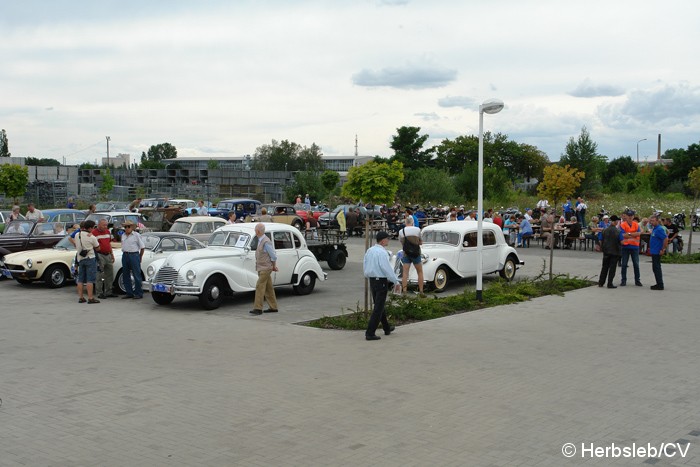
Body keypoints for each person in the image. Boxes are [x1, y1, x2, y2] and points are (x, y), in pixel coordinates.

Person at [363, 231, 400, 341]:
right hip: (381, 281)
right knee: (378, 307)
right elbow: (386, 268)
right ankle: (370, 332)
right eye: (387, 239)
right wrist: (395, 281)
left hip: (372, 280)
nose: (388, 240)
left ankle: (386, 327)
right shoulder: (382, 253)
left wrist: (367, 275)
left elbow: (365, 264)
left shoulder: (369, 251)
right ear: (383, 240)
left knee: (379, 304)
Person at [250, 223, 278, 315]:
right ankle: (273, 307)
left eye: (255, 230)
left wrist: (274, 266)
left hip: (265, 268)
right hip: (262, 267)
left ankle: (258, 308)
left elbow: (273, 255)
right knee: (268, 287)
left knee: (259, 286)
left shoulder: (266, 241)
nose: (255, 232)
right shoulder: (261, 240)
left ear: (258, 231)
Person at [74, 219, 101, 304]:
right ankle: (90, 298)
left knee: (80, 279)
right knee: (90, 279)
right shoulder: (91, 237)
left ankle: (81, 297)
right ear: (90, 228)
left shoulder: (77, 235)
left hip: (80, 258)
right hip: (90, 258)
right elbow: (98, 248)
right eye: (93, 228)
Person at [399, 216, 424, 296]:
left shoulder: (401, 231)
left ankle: (405, 292)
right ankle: (421, 291)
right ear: (412, 222)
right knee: (419, 272)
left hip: (406, 253)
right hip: (416, 253)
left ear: (405, 222)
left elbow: (401, 242)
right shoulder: (417, 230)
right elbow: (420, 242)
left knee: (405, 273)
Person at [120, 220, 146, 299]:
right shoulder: (123, 235)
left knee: (136, 274)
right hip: (125, 254)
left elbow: (142, 247)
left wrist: (140, 257)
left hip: (134, 255)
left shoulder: (136, 235)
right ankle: (129, 292)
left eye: (128, 227)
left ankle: (138, 293)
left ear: (132, 227)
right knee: (125, 274)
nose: (126, 228)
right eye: (125, 227)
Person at [93, 218, 116, 299]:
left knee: (109, 274)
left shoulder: (107, 232)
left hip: (108, 254)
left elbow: (109, 244)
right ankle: (99, 292)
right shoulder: (94, 233)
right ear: (99, 224)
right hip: (99, 255)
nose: (105, 227)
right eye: (103, 225)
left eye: (106, 225)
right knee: (99, 274)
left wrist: (112, 254)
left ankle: (109, 291)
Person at [598, 215, 623, 288]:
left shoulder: (604, 230)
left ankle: (601, 282)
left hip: (606, 251)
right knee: (612, 268)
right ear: (615, 222)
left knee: (604, 267)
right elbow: (622, 242)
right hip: (615, 251)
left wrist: (602, 247)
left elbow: (600, 240)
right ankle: (610, 283)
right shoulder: (618, 231)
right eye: (617, 221)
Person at [619, 209, 642, 287]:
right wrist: (633, 234)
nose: (630, 217)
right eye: (628, 215)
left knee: (636, 264)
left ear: (633, 216)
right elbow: (622, 235)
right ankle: (623, 280)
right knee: (624, 264)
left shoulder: (636, 224)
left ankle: (637, 280)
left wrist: (628, 234)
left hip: (635, 246)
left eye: (631, 215)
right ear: (626, 216)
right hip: (625, 246)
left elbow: (639, 233)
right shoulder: (623, 224)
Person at [648, 215, 668, 290]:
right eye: (651, 221)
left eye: (653, 221)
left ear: (657, 221)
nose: (651, 222)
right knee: (655, 268)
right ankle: (658, 283)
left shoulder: (659, 229)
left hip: (657, 251)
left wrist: (663, 249)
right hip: (654, 251)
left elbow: (665, 239)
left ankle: (660, 284)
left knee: (657, 268)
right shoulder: (655, 229)